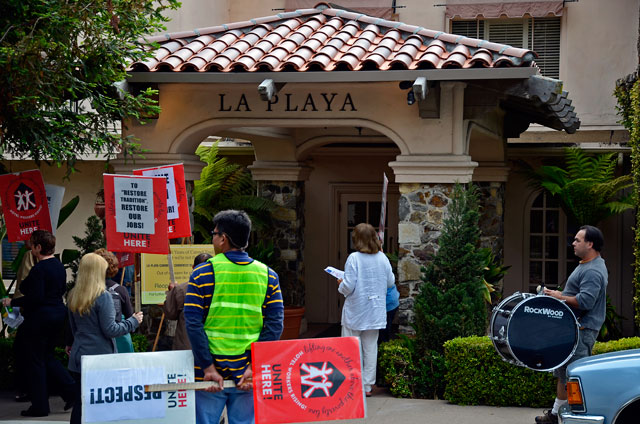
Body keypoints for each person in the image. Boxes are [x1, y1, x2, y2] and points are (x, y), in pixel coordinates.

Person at [185, 210, 283, 424]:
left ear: (223, 239)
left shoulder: (202, 273)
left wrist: (208, 367)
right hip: (247, 372)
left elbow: (193, 323)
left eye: (214, 233)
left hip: (210, 375)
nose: (212, 238)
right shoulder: (268, 275)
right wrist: (254, 367)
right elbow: (274, 325)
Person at [536, 225, 608, 424]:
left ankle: (577, 419)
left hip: (582, 330)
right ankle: (554, 415)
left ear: (590, 243)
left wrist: (560, 296)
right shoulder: (585, 264)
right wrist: (557, 295)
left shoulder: (593, 271)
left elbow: (585, 302)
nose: (573, 243)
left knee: (575, 377)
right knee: (563, 375)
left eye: (577, 240)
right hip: (572, 329)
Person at [2, 230, 75, 417]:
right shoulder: (59, 266)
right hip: (58, 316)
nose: (30, 248)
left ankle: (40, 405)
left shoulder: (39, 269)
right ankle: (72, 393)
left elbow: (35, 297)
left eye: (32, 245)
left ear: (38, 247)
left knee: (34, 361)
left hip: (40, 319)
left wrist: (13, 302)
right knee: (47, 357)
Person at [66, 253, 143, 424]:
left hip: (79, 356)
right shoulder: (103, 296)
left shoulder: (72, 294)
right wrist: (133, 321)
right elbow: (111, 330)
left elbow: (73, 328)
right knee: (101, 405)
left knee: (80, 404)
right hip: (100, 358)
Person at [337, 223, 395, 397]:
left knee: (349, 347)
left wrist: (341, 284)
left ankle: (351, 383)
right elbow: (390, 282)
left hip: (356, 309)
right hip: (375, 309)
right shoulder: (382, 258)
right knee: (370, 348)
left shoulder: (353, 258)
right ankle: (367, 386)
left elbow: (348, 287)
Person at [163, 253, 212, 350]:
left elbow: (170, 313)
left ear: (193, 267)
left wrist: (171, 293)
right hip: (213, 345)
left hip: (187, 345)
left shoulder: (182, 289)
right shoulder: (221, 288)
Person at [94, 248, 135, 352]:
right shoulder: (120, 290)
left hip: (95, 342)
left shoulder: (87, 291)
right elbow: (129, 316)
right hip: (120, 340)